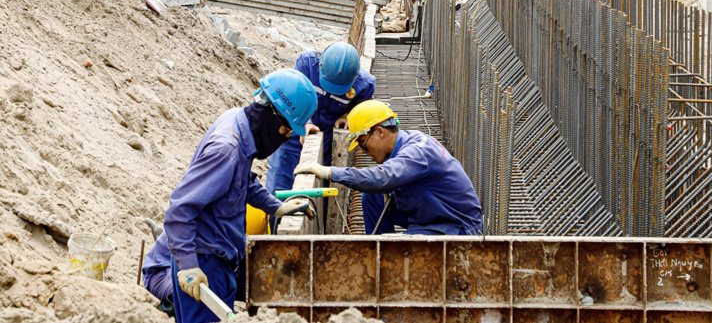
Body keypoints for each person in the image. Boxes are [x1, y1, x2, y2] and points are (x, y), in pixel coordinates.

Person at [164, 69, 318, 323]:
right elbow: (180, 209)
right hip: (203, 264)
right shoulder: (227, 149)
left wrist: (275, 207)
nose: (285, 137)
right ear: (273, 118)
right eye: (286, 131)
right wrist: (189, 266)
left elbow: (242, 182)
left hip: (221, 259)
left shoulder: (238, 120)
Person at [294, 100, 484, 235]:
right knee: (373, 196)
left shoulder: (417, 151)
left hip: (457, 227)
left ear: (379, 132)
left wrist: (329, 172)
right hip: (432, 213)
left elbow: (383, 178)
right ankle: (378, 249)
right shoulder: (406, 143)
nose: (363, 151)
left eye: (362, 143)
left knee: (405, 255)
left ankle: (393, 253)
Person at [265, 43, 375, 227]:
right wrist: (304, 123)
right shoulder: (306, 64)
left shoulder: (365, 85)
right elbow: (291, 98)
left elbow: (361, 106)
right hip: (291, 137)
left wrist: (346, 116)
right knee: (279, 191)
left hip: (326, 143)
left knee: (316, 193)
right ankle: (274, 231)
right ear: (321, 65)